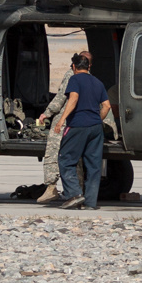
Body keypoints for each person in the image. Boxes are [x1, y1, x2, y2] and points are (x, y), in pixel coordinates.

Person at [53, 52, 112, 210]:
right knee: (93, 166)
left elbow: (73, 99)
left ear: (73, 66)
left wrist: (60, 120)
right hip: (95, 128)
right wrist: (97, 120)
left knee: (66, 160)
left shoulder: (75, 79)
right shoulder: (98, 82)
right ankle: (91, 203)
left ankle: (74, 194)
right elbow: (106, 106)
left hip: (78, 126)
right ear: (89, 66)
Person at [35, 53, 87, 205]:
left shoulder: (72, 75)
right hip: (80, 121)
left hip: (64, 120)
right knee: (76, 158)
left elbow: (60, 98)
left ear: (74, 65)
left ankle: (51, 187)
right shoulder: (91, 78)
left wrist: (47, 113)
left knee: (52, 150)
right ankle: (78, 192)